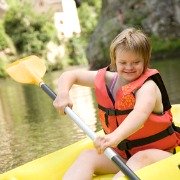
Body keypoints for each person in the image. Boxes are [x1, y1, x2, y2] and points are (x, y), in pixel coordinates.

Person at [53, 27, 180, 179]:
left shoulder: (148, 87)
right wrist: (62, 94)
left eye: (135, 62)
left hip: (159, 155)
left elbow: (139, 114)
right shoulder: (109, 79)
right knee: (88, 156)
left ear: (146, 60)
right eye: (123, 62)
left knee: (140, 158)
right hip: (123, 155)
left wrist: (114, 137)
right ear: (114, 60)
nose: (129, 67)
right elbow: (70, 75)